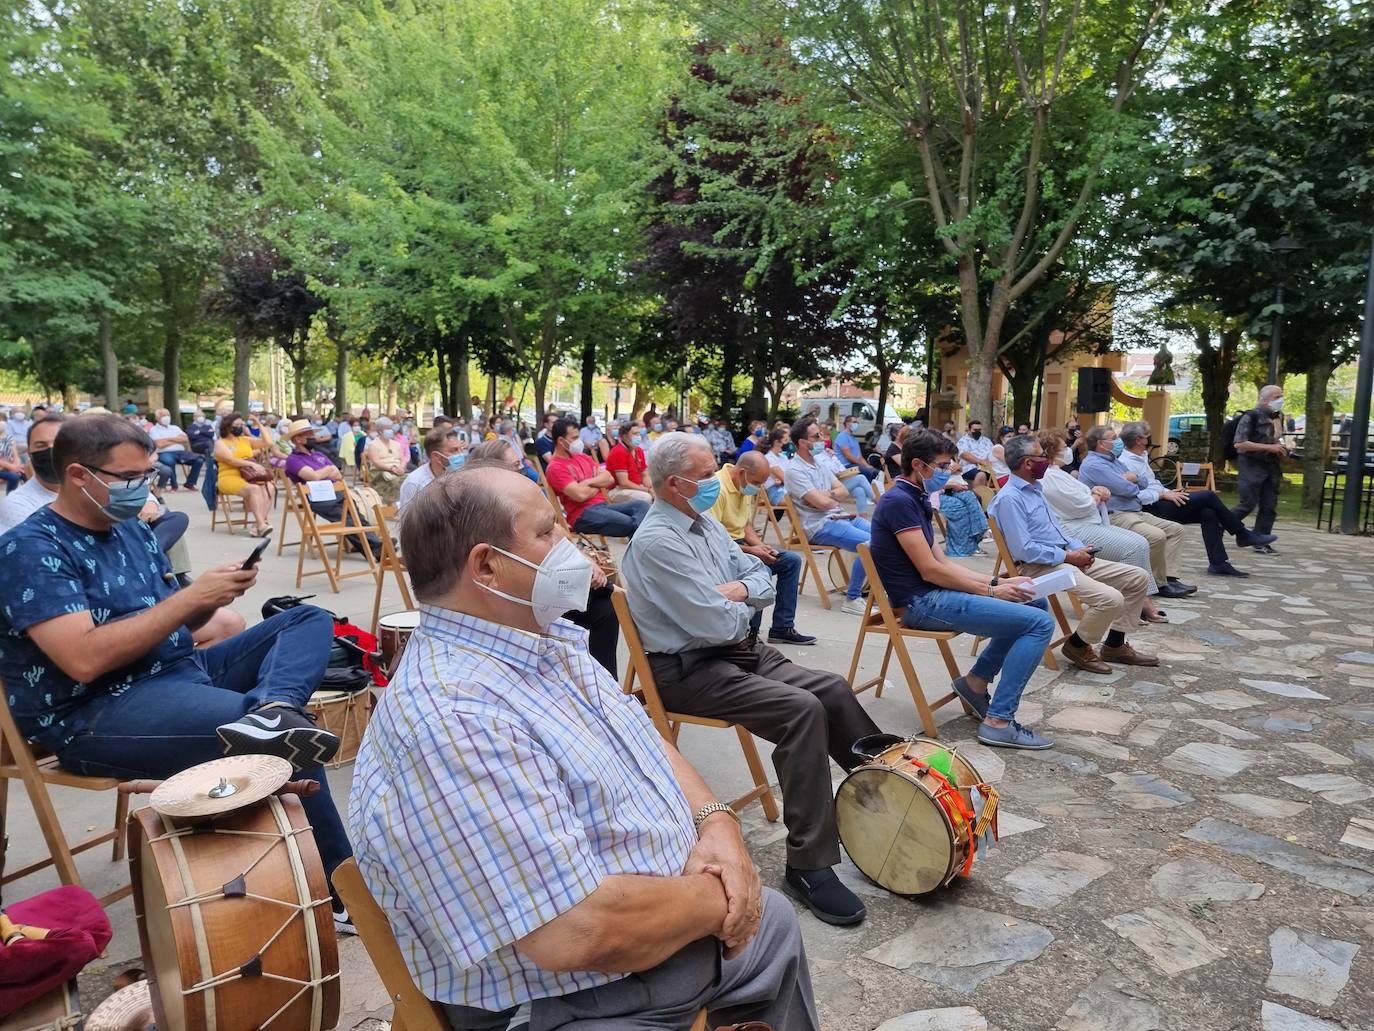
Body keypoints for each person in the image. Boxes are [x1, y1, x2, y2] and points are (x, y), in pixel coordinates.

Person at [352, 464, 818, 1029]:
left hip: (638, 946)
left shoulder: (542, 641)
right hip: (572, 997)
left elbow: (645, 742)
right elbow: (575, 932)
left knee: (771, 921)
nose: (569, 546)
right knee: (768, 922)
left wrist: (719, 826)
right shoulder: (455, 716)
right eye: (548, 532)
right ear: (488, 566)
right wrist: (728, 895)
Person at [0, 414, 354, 928]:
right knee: (288, 742)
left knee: (307, 619)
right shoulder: (31, 549)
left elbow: (175, 624)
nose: (143, 486)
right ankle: (343, 893)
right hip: (92, 711)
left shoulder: (130, 531)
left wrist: (214, 597)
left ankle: (273, 708)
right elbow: (84, 659)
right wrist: (191, 597)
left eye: (147, 473)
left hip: (173, 673)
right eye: (129, 477)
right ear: (79, 474)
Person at [621, 433, 879, 928]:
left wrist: (735, 591)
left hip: (737, 651)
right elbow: (714, 623)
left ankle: (885, 795)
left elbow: (765, 573)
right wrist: (740, 599)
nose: (715, 477)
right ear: (675, 484)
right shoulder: (656, 542)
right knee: (801, 711)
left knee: (834, 690)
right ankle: (809, 865)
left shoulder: (702, 523)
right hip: (690, 668)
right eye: (705, 471)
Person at [870, 430, 1055, 748]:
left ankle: (975, 682)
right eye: (942, 465)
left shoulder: (915, 497)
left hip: (933, 595)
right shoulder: (899, 501)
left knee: (1035, 605)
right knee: (1039, 624)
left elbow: (943, 563)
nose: (949, 470)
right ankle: (999, 721)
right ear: (918, 465)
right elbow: (931, 572)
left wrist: (997, 582)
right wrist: (991, 591)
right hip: (921, 603)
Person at [989, 434, 1158, 675]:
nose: (1046, 461)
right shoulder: (1010, 499)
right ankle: (1077, 646)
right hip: (1039, 566)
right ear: (1027, 463)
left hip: (1063, 556)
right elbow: (1024, 549)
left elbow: (1057, 529)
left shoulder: (1035, 490)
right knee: (1111, 598)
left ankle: (1114, 645)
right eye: (1042, 457)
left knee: (1137, 577)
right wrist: (1068, 557)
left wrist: (1077, 548)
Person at [1038, 430, 1168, 623]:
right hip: (1074, 528)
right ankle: (1136, 605)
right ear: (1052, 452)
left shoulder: (1059, 473)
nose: (1068, 450)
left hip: (1087, 522)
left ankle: (1139, 599)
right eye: (1064, 447)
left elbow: (1080, 495)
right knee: (1132, 547)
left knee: (1141, 541)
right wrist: (1097, 495)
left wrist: (1094, 491)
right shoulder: (1050, 476)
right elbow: (1078, 506)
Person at [1118, 419, 1274, 577]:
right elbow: (1134, 495)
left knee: (1208, 513)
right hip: (1149, 508)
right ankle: (1242, 534)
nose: (1149, 440)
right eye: (1147, 437)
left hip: (1161, 499)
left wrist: (1169, 491)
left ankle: (1219, 563)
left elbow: (1152, 483)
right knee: (1208, 495)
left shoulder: (1141, 456)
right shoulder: (1125, 462)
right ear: (1138, 440)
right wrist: (1163, 494)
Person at [706, 452, 816, 646]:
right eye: (757, 482)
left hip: (741, 545)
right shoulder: (718, 488)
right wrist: (753, 552)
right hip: (723, 551)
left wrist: (759, 546)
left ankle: (782, 628)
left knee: (791, 561)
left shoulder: (742, 484)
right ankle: (750, 634)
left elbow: (746, 525)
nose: (758, 487)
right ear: (741, 472)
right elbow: (714, 540)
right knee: (760, 571)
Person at [1078, 424, 1195, 598]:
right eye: (1113, 438)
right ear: (1101, 444)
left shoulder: (1114, 461)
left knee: (1176, 530)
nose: (1118, 441)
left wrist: (1134, 480)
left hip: (1135, 511)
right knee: (1156, 536)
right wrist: (1132, 482)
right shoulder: (1094, 464)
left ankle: (1169, 578)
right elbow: (1127, 489)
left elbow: (1143, 482)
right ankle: (1157, 584)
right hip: (1116, 514)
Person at [785, 418, 870, 615]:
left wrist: (825, 496)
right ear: (802, 443)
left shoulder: (820, 463)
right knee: (872, 544)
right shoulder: (794, 470)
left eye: (821, 435)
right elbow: (824, 504)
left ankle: (874, 589)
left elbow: (842, 491)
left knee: (887, 537)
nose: (822, 439)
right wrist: (829, 498)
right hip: (821, 525)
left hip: (841, 516)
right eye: (816, 436)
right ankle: (853, 597)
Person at [283, 420, 382, 554]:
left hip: (335, 492)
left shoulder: (318, 455)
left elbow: (338, 474)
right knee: (345, 519)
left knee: (357, 515)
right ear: (298, 439)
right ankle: (376, 548)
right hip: (318, 498)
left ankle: (375, 546)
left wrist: (327, 471)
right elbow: (313, 476)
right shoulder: (293, 460)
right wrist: (328, 470)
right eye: (309, 435)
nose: (313, 437)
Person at [545, 418, 648, 538]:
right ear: (561, 441)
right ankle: (643, 547)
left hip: (603, 506)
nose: (579, 441)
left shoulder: (583, 457)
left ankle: (641, 544)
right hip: (582, 515)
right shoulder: (555, 467)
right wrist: (599, 484)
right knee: (630, 523)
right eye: (574, 438)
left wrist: (588, 482)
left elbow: (609, 478)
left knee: (642, 506)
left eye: (578, 437)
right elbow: (580, 495)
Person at [1232, 384, 1287, 549]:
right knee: (1248, 503)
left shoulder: (1278, 417)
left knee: (1269, 505)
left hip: (1271, 466)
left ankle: (1261, 540)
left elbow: (1276, 438)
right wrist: (1269, 448)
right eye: (1277, 397)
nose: (1280, 400)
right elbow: (1240, 443)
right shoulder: (1251, 416)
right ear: (1265, 399)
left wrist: (1280, 447)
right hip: (1251, 465)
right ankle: (1222, 523)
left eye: (1281, 396)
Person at [0, 414, 68, 532]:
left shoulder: (94, 491)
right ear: (29, 453)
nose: (51, 451)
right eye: (41, 445)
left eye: (59, 444)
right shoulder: (16, 506)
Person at [214, 411, 275, 537]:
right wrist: (251, 464)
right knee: (254, 489)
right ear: (228, 427)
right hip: (229, 477)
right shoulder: (220, 443)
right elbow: (230, 460)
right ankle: (262, 524)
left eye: (242, 424)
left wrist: (258, 424)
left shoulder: (245, 440)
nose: (240, 427)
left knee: (270, 487)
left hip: (249, 476)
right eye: (237, 424)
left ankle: (258, 524)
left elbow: (268, 443)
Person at [398, 425, 468, 511]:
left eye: (461, 449)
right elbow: (408, 522)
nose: (460, 454)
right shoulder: (415, 484)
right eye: (454, 450)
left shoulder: (462, 477)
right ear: (436, 456)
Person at [148, 408, 204, 491]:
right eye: (163, 415)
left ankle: (190, 483)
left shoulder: (175, 428)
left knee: (199, 460)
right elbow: (159, 444)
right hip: (164, 453)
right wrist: (177, 440)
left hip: (180, 452)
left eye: (168, 415)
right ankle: (174, 485)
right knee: (170, 461)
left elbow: (185, 439)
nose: (166, 417)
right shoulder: (153, 430)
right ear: (157, 418)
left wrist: (167, 439)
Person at [832, 415, 878, 513]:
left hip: (854, 464)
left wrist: (867, 465)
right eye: (854, 422)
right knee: (866, 472)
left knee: (873, 471)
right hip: (846, 466)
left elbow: (860, 457)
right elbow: (848, 456)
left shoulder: (853, 438)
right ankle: (873, 498)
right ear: (848, 423)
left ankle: (869, 495)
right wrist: (863, 466)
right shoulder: (842, 436)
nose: (856, 424)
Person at [605, 417, 653, 504]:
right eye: (635, 434)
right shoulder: (619, 452)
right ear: (624, 436)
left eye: (638, 433)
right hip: (618, 490)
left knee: (660, 494)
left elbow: (645, 475)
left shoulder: (639, 451)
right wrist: (647, 490)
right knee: (646, 498)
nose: (638, 437)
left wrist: (651, 488)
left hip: (637, 487)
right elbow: (624, 483)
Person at [365, 416, 410, 503]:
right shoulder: (373, 445)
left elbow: (402, 459)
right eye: (387, 428)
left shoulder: (396, 444)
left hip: (397, 470)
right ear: (380, 431)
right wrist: (391, 468)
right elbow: (376, 462)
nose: (390, 430)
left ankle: (406, 504)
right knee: (394, 481)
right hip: (379, 472)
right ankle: (393, 505)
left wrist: (402, 467)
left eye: (391, 428)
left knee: (411, 480)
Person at [957, 419, 994, 485]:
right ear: (969, 429)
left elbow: (993, 453)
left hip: (988, 468)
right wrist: (981, 462)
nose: (977, 432)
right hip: (970, 468)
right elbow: (965, 455)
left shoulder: (987, 441)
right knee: (981, 474)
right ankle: (978, 494)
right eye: (975, 430)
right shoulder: (963, 441)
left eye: (979, 430)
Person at [763, 427, 790, 504]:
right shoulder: (769, 458)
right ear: (776, 442)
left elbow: (791, 474)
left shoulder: (783, 457)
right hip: (776, 493)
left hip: (786, 489)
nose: (788, 443)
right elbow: (785, 478)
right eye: (785, 440)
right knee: (804, 500)